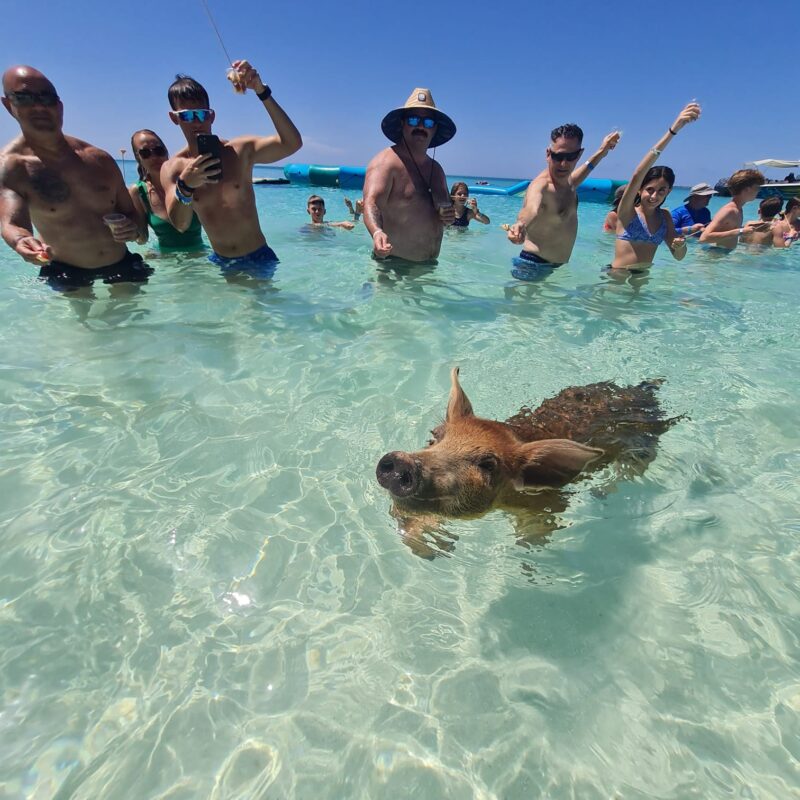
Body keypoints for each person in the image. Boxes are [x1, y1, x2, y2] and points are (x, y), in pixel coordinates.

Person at [0, 65, 149, 291]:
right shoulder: (12, 167)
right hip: (67, 271)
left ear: (59, 105)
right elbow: (11, 223)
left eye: (46, 97)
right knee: (81, 327)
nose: (39, 105)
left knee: (134, 324)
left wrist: (132, 229)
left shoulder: (99, 159)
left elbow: (132, 216)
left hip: (121, 263)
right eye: (24, 98)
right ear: (8, 105)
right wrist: (21, 242)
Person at [161, 61, 302, 276]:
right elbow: (180, 224)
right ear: (174, 118)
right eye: (188, 116)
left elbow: (292, 143)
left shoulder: (239, 151)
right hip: (220, 261)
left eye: (202, 114)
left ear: (212, 115)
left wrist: (261, 91)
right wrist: (186, 186)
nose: (197, 122)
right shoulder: (172, 169)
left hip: (258, 257)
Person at [505, 126, 620, 278]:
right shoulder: (541, 186)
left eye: (570, 157)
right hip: (533, 265)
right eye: (558, 157)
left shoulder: (568, 181)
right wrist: (520, 224)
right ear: (548, 154)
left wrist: (603, 151)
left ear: (579, 154)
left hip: (557, 267)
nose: (564, 164)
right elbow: (531, 209)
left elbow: (586, 168)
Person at [362, 88, 456, 262]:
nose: (421, 126)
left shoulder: (436, 170)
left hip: (429, 267)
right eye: (414, 120)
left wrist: (448, 216)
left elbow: (444, 212)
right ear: (402, 124)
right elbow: (371, 202)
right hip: (393, 267)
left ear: (434, 129)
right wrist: (377, 232)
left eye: (427, 123)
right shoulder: (386, 163)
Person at [610, 103, 701, 271]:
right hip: (618, 276)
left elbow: (678, 257)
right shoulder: (628, 211)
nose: (654, 196)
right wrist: (673, 131)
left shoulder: (664, 217)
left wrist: (680, 246)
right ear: (639, 189)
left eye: (661, 191)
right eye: (649, 190)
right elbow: (638, 174)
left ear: (669, 191)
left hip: (642, 279)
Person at [128, 129, 204, 251]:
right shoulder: (138, 192)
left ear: (166, 152)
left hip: (199, 262)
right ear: (138, 158)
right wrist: (129, 230)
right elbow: (142, 239)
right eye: (145, 153)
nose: (154, 157)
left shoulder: (188, 181)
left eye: (159, 151)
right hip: (165, 265)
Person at [699, 169, 768, 251]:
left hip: (722, 256)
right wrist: (740, 231)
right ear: (747, 189)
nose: (758, 191)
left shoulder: (738, 209)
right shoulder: (730, 210)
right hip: (714, 257)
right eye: (757, 188)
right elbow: (704, 238)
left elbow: (729, 229)